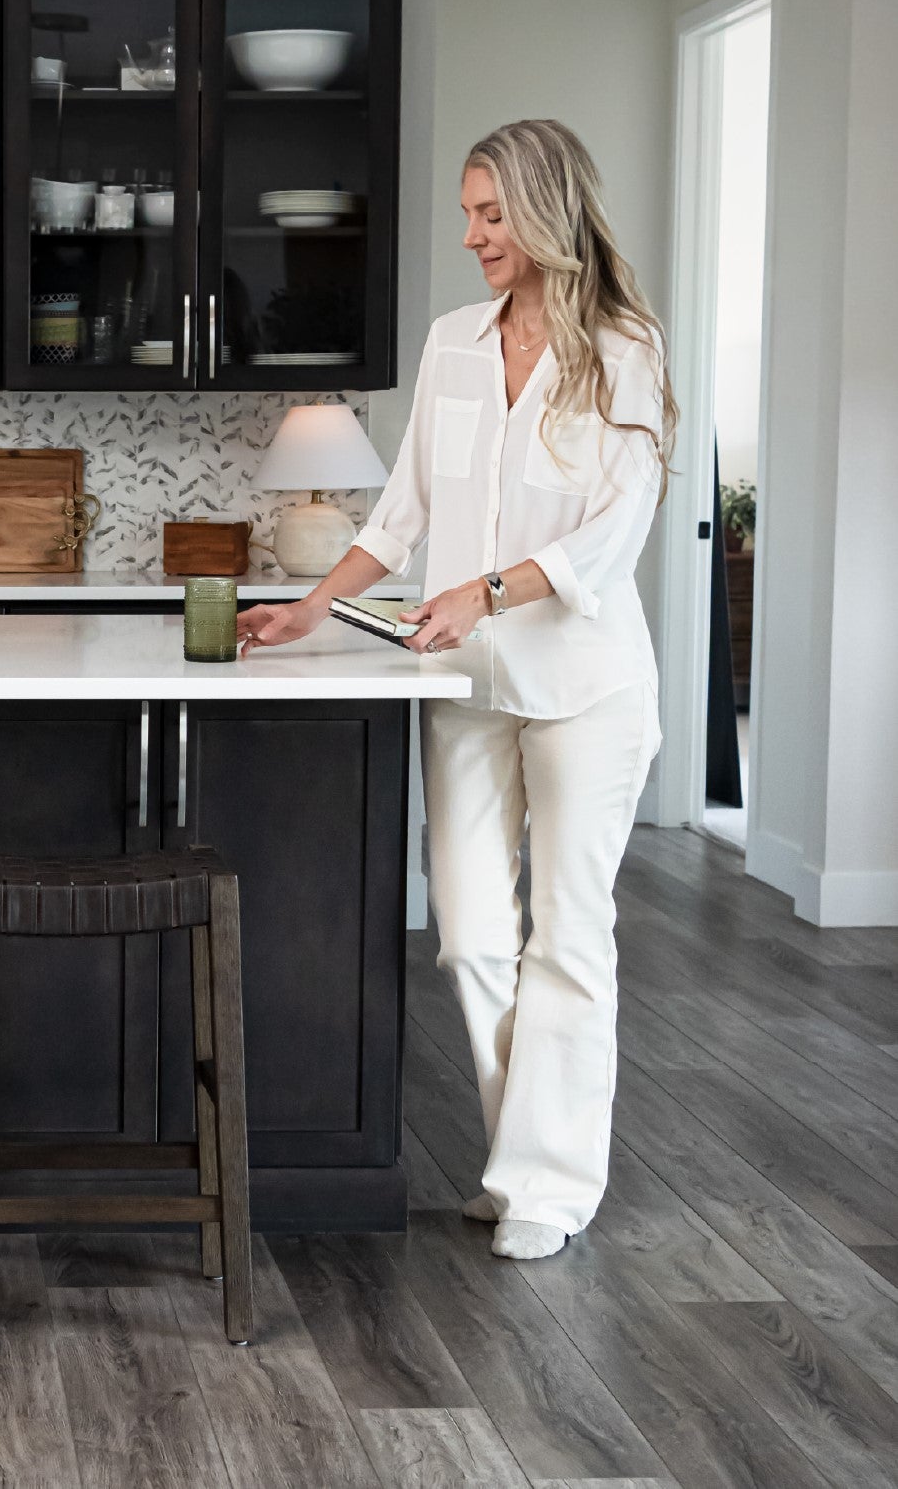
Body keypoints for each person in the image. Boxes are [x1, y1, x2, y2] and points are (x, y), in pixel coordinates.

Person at [237, 118, 675, 1260]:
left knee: (570, 939)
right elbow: (402, 514)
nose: (474, 237)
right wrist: (314, 604)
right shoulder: (452, 345)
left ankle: (548, 1184)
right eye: (469, 216)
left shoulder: (626, 352)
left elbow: (612, 537)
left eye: (491, 215)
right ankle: (516, 1155)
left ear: (543, 213)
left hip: (587, 686)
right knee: (471, 936)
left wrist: (482, 589)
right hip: (467, 681)